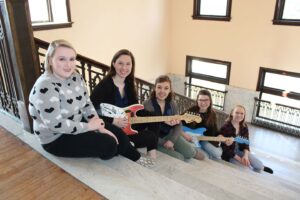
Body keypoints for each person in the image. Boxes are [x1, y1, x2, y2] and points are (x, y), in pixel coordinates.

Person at [28, 40, 151, 167]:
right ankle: (121, 149)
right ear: (50, 60)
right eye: (62, 59)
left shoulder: (75, 76)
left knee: (118, 133)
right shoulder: (45, 86)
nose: (68, 65)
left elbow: (87, 103)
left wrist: (100, 126)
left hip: (78, 121)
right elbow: (55, 124)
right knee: (109, 146)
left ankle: (135, 156)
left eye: (71, 59)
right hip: (56, 137)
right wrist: (89, 127)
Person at [90, 49, 158, 162]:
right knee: (114, 142)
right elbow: (90, 110)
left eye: (128, 64)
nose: (124, 68)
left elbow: (136, 108)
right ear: (113, 64)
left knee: (154, 123)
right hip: (111, 128)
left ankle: (150, 154)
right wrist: (113, 120)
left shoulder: (130, 84)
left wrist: (163, 118)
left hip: (127, 127)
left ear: (132, 66)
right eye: (120, 63)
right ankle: (125, 145)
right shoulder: (104, 85)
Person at [143, 75, 205, 161]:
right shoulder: (147, 104)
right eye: (159, 87)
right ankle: (172, 149)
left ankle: (191, 151)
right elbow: (145, 130)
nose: (162, 91)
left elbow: (178, 124)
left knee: (190, 153)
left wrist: (172, 140)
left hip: (170, 134)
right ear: (155, 88)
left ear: (170, 90)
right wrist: (164, 142)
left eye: (166, 88)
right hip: (155, 140)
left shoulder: (172, 104)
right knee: (179, 158)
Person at [219, 105, 273, 174]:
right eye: (237, 113)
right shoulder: (226, 127)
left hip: (240, 150)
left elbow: (246, 143)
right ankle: (247, 165)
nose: (239, 115)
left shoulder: (244, 127)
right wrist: (240, 159)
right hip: (230, 154)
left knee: (258, 165)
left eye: (242, 113)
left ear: (244, 115)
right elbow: (225, 149)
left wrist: (245, 156)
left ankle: (261, 167)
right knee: (244, 169)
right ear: (232, 113)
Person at [182, 90, 223, 160]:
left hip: (203, 140)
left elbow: (215, 131)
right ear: (197, 101)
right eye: (200, 100)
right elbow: (178, 122)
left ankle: (204, 150)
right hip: (190, 139)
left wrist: (220, 136)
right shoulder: (191, 111)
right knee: (206, 157)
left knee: (218, 153)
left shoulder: (212, 114)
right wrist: (184, 134)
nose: (203, 103)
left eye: (206, 100)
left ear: (210, 101)